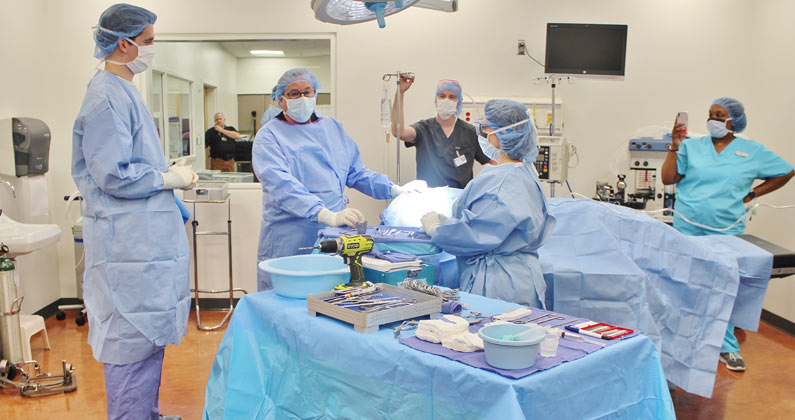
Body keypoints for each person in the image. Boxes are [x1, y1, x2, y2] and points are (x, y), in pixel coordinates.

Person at [72, 4, 197, 419]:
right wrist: (168, 179)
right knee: (130, 344)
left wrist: (166, 177)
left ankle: (146, 414)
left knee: (145, 344)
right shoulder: (107, 96)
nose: (151, 50)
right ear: (124, 44)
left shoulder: (123, 91)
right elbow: (114, 173)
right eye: (148, 42)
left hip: (140, 249)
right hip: (127, 251)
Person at [661, 97, 794, 372]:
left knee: (723, 288)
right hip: (688, 225)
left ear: (734, 120)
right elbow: (668, 178)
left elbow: (786, 170)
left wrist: (755, 193)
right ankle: (678, 344)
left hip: (727, 229)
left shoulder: (752, 151)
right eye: (710, 114)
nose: (713, 120)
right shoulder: (691, 147)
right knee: (683, 284)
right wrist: (674, 145)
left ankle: (727, 346)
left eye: (720, 115)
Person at [253, 68, 403, 291]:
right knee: (287, 300)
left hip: (333, 233)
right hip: (290, 236)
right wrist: (324, 214)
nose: (302, 98)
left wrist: (393, 189)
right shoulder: (269, 136)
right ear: (281, 100)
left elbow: (356, 173)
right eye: (294, 94)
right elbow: (281, 185)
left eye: (307, 91)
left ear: (315, 94)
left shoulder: (333, 128)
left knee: (330, 296)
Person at [420, 99, 556, 307]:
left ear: (501, 138)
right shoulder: (525, 172)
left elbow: (477, 235)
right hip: (523, 279)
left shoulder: (501, 183)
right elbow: (493, 224)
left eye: (485, 129)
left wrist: (438, 229)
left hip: (498, 284)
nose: (481, 135)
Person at [392, 75, 494, 189]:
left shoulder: (470, 132)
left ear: (458, 102)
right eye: (442, 96)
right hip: (429, 198)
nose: (446, 100)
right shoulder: (424, 129)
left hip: (459, 199)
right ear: (436, 100)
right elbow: (399, 132)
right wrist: (400, 93)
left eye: (452, 97)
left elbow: (495, 162)